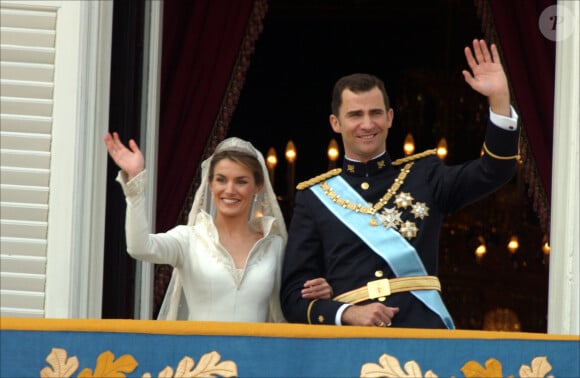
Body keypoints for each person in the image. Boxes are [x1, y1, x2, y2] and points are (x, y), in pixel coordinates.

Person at [280, 39, 520, 329]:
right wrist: (346, 313)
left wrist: (499, 99)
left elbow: (495, 170)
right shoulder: (315, 197)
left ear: (390, 117)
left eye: (375, 113)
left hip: (422, 334)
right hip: (350, 345)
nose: (367, 124)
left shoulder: (425, 175)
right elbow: (294, 298)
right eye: (355, 115)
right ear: (335, 123)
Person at [104, 135, 332, 322]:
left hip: (257, 364)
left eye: (241, 181)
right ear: (210, 183)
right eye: (221, 180)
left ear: (258, 186)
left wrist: (321, 291)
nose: (230, 190)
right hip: (200, 363)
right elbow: (139, 247)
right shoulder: (188, 239)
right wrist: (135, 188)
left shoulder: (275, 245)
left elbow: (294, 298)